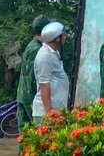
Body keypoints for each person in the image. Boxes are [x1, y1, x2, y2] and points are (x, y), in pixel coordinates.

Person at [16, 15, 50, 148]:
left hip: (24, 96)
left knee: (26, 135)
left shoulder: (34, 45)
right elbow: (31, 77)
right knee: (33, 136)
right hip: (29, 98)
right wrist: (32, 103)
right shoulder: (36, 49)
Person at [32, 22, 69, 123]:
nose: (65, 37)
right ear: (57, 38)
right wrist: (50, 114)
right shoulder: (45, 56)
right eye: (63, 35)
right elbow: (44, 85)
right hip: (46, 113)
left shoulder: (53, 52)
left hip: (55, 109)